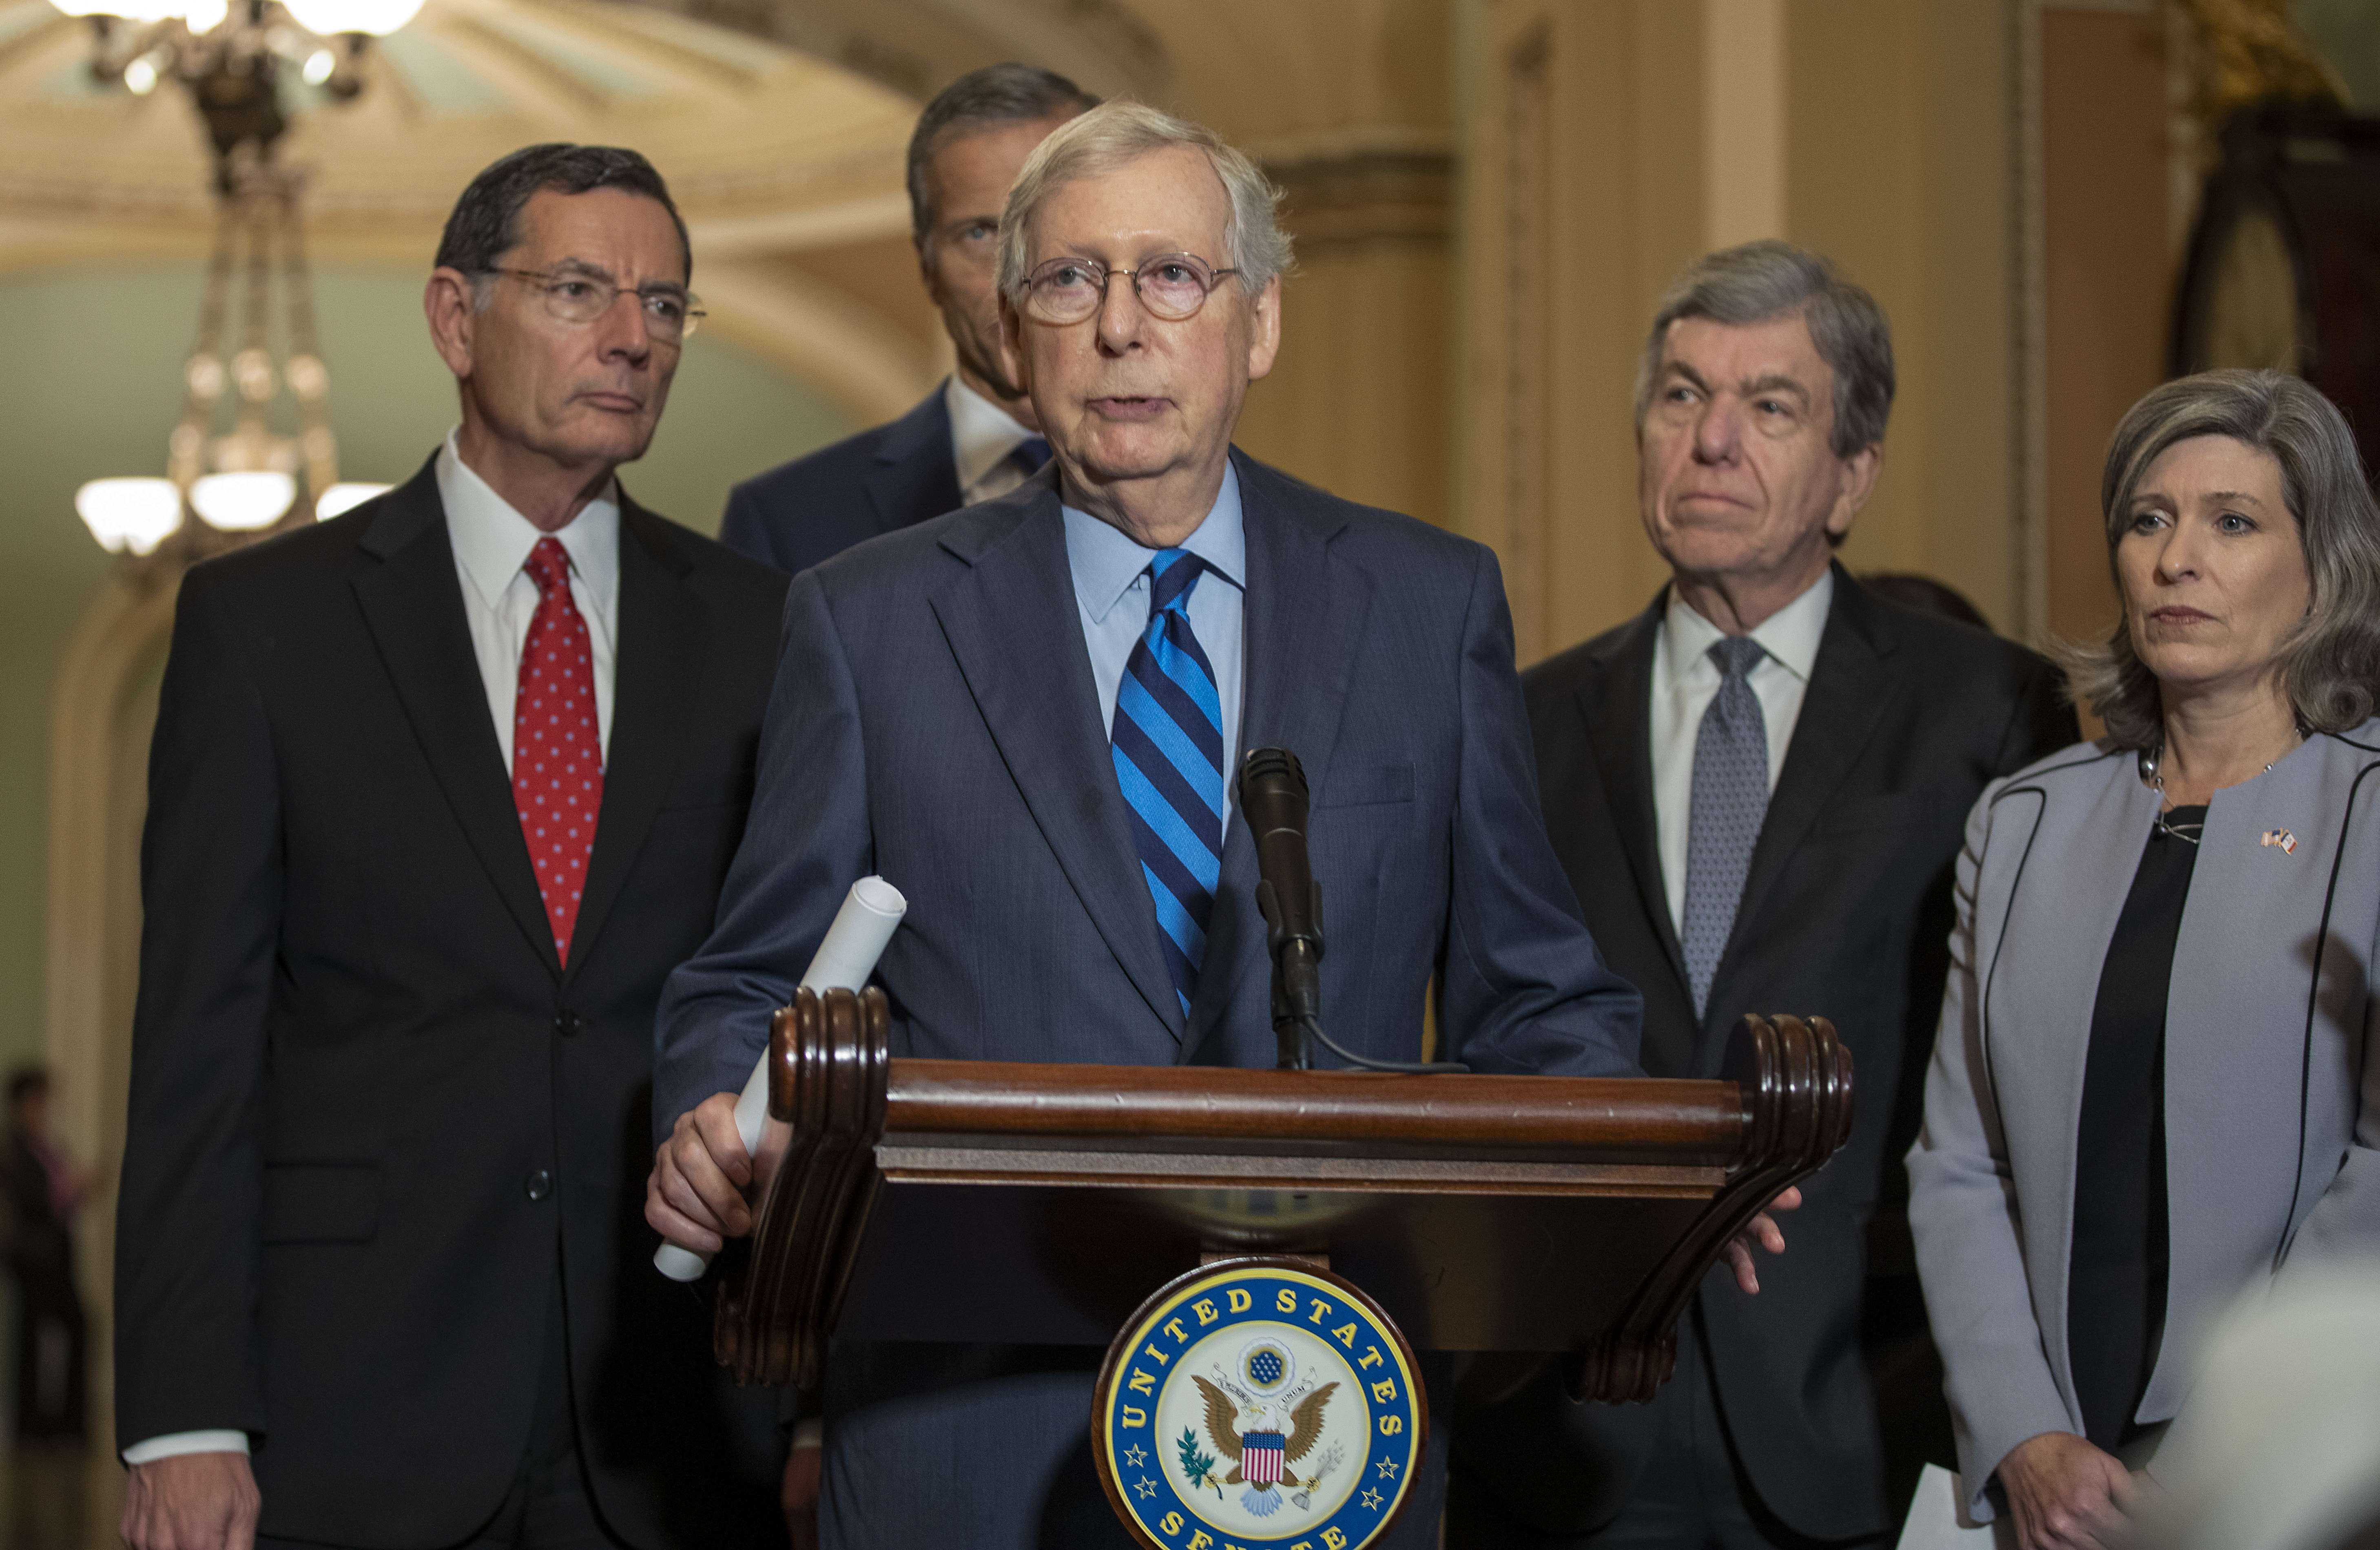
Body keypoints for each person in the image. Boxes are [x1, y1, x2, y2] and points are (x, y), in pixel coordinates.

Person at [644, 100, 1760, 1550]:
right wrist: (703, 1119)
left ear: (1259, 324)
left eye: (1171, 276)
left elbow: (1540, 996)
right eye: (1068, 280)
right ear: (1013, 327)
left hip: (1316, 1419)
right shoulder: (866, 621)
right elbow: (753, 977)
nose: (1120, 326)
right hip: (967, 1438)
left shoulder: (1425, 607)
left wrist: (1651, 1184)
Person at [113, 144, 790, 1550]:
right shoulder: (265, 625)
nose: (631, 338)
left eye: (667, 306)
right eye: (581, 290)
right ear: (452, 316)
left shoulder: (765, 628)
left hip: (672, 1410)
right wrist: (185, 1415)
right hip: (355, 1398)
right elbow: (199, 1047)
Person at [1456, 241, 2077, 1549]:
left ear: (1851, 475)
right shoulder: (1521, 719)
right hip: (1566, 1423)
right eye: (1680, 397)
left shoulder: (1993, 712)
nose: (1712, 441)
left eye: (1769, 406)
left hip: (1866, 1404)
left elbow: (2037, 1090)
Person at [1908, 369, 2380, 1550]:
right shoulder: (2021, 821)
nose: (2179, 558)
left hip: (2305, 1460)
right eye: (2147, 518)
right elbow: (1958, 1159)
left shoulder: (2370, 808)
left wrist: (2233, 1444)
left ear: (2319, 563)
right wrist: (2019, 1434)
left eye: (2233, 520)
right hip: (2049, 1473)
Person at [717, 63, 1097, 573]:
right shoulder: (787, 522)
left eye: (1054, 224)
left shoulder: (1212, 486)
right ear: (928, 267)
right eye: (981, 235)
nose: (1020, 278)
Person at [1, 1067, 97, 1550]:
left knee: (75, 1332)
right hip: (35, 1263)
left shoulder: (46, 1148)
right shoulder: (15, 1150)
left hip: (56, 1260)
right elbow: (34, 1204)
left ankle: (63, 1423)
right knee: (36, 1343)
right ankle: (37, 1426)